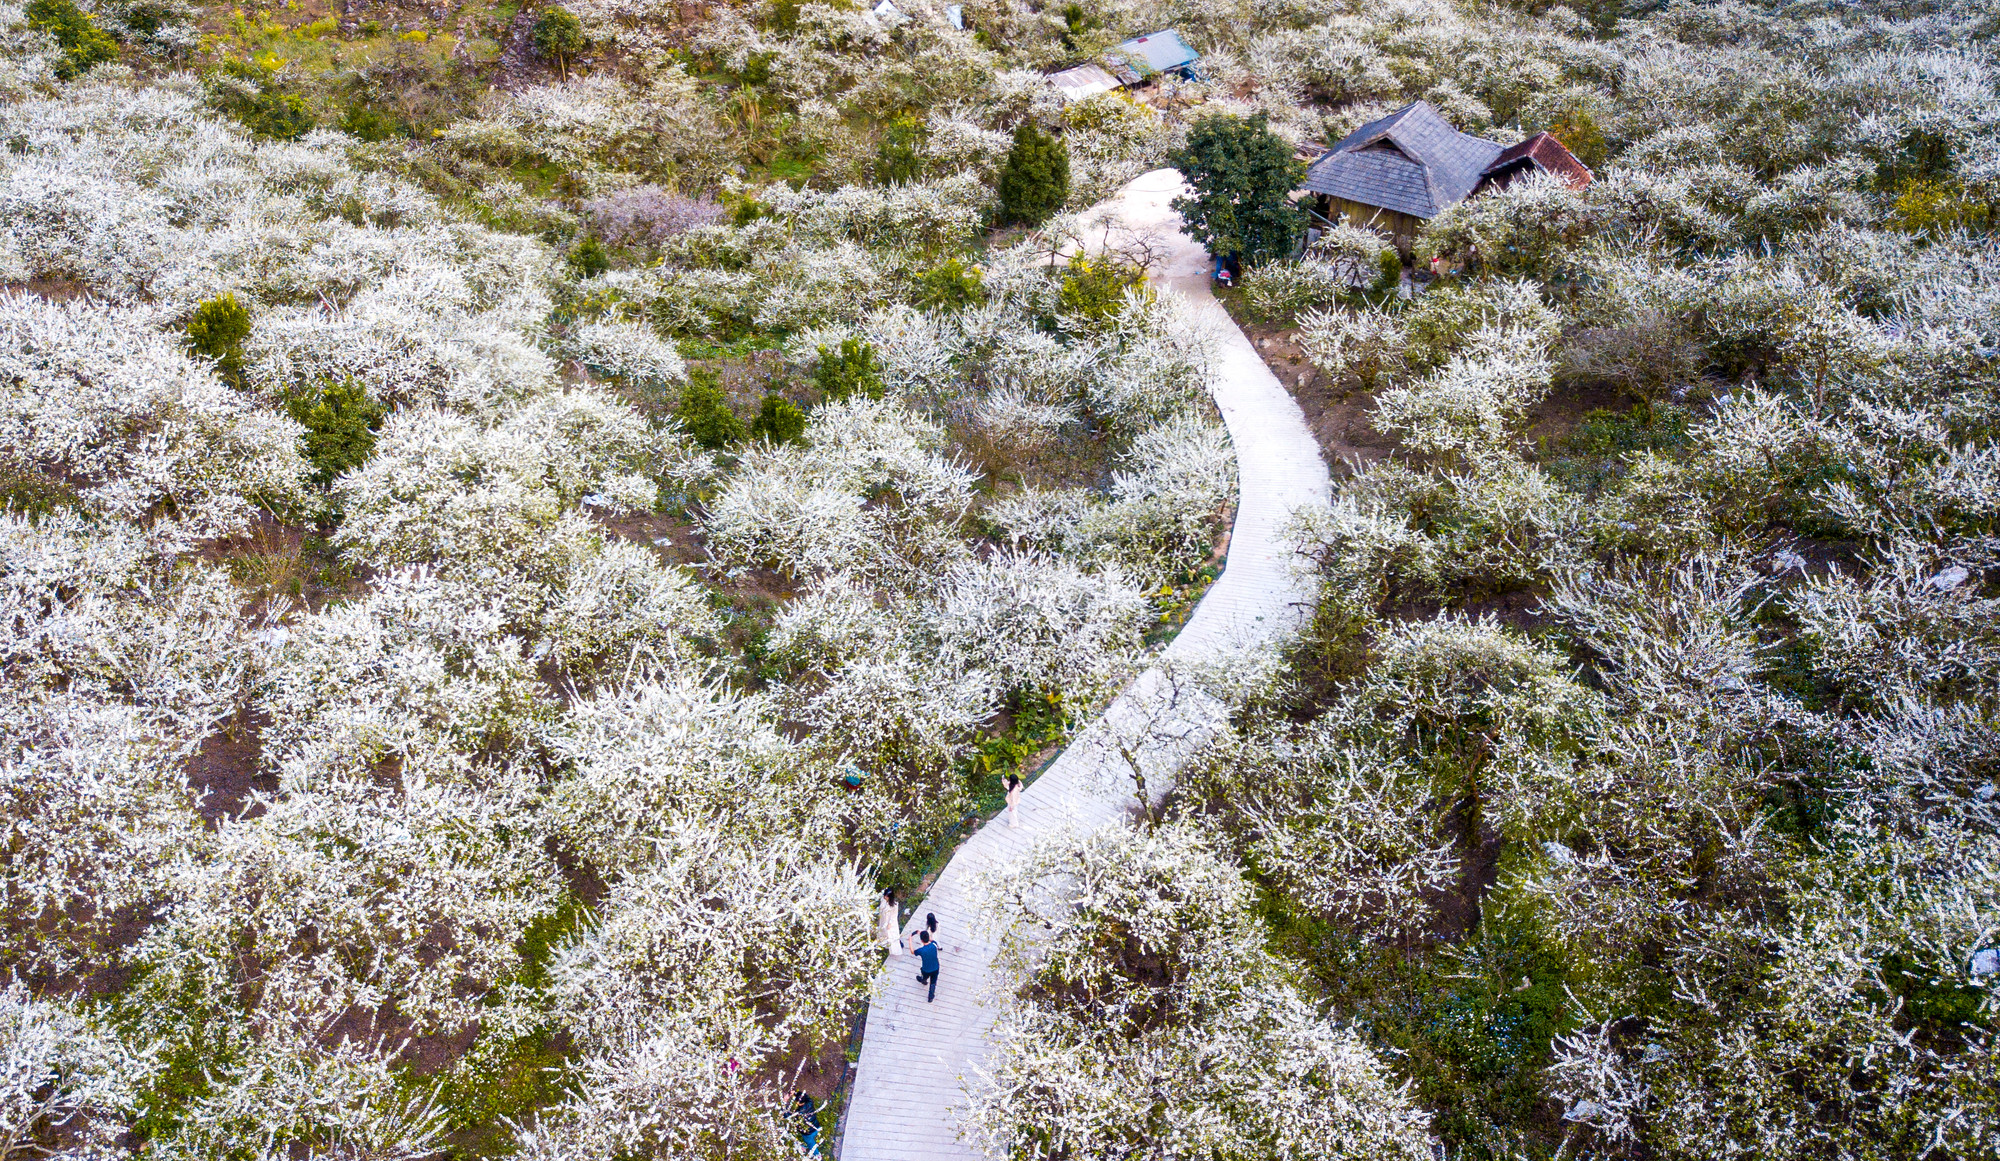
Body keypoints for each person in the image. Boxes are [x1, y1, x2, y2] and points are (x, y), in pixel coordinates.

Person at [913, 930, 940, 1002]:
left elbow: (912, 951)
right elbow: (932, 940)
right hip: (935, 967)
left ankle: (923, 980)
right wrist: (923, 934)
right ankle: (930, 997)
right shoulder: (934, 944)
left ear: (921, 940)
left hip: (926, 969)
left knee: (924, 975)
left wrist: (910, 939)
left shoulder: (921, 950)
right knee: (933, 982)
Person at [791, 1090, 821, 1155]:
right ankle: (805, 1146)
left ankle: (817, 1156)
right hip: (816, 1126)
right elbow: (805, 1096)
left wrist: (785, 1101)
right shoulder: (810, 1103)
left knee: (811, 1144)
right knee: (811, 1140)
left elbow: (786, 1115)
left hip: (808, 1133)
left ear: (798, 1102)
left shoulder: (798, 1112)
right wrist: (796, 1093)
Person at [877, 888, 903, 957]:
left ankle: (894, 949)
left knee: (891, 934)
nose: (885, 897)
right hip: (883, 920)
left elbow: (894, 915)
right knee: (883, 932)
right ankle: (884, 945)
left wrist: (890, 923)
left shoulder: (894, 905)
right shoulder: (883, 900)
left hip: (890, 921)